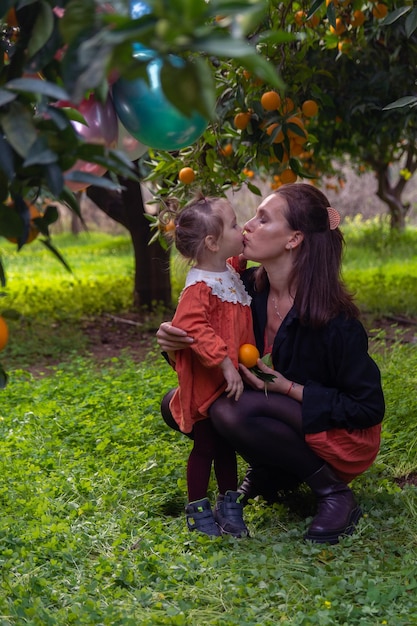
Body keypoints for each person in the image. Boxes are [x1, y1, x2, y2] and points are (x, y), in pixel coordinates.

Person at [157, 183, 385, 545]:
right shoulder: (245, 290)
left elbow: (368, 409)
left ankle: (334, 493)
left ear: (294, 239)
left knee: (229, 412)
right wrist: (174, 345)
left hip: (339, 435)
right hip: (279, 416)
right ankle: (275, 470)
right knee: (179, 404)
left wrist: (289, 389)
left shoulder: (336, 323)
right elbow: (211, 349)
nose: (247, 225)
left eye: (263, 219)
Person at [162, 194, 255, 538]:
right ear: (212, 243)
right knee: (205, 447)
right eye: (234, 224)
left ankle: (229, 505)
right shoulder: (198, 288)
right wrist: (225, 364)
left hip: (227, 383)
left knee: (226, 445)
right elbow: (192, 326)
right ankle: (197, 508)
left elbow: (240, 263)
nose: (241, 226)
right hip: (207, 383)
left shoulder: (227, 270)